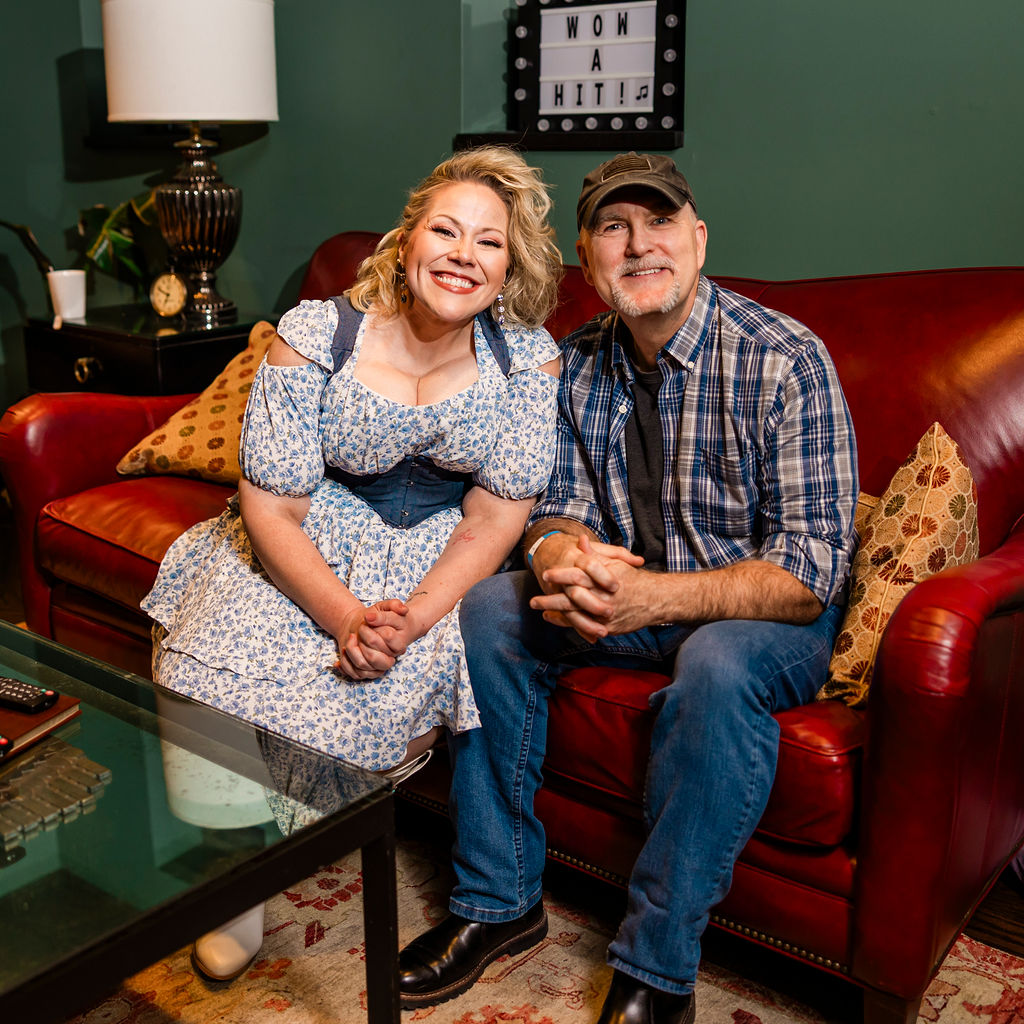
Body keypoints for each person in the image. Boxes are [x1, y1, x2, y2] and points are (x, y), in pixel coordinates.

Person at [397, 152, 859, 1024]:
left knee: (719, 663)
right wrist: (556, 553)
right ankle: (496, 905)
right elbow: (554, 505)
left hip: (760, 614)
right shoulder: (576, 363)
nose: (639, 243)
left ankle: (657, 970)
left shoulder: (784, 359)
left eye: (659, 221)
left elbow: (810, 570)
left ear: (698, 237)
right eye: (614, 226)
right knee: (491, 609)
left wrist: (658, 600)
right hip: (625, 596)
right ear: (587, 252)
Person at [142, 145, 563, 981]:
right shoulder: (318, 334)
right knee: (214, 656)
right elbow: (273, 505)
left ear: (508, 265)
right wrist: (341, 614)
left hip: (438, 561)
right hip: (308, 538)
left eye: (488, 242)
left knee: (385, 688)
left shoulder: (530, 360)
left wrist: (411, 615)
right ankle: (236, 888)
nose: (462, 254)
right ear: (407, 241)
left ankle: (283, 840)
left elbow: (494, 517)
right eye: (445, 230)